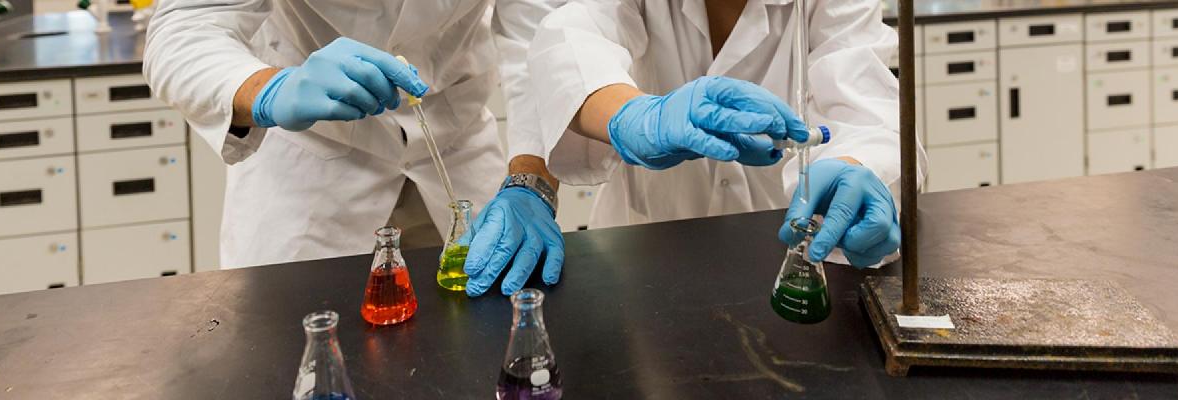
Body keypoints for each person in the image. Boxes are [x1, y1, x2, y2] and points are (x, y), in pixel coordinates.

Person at [462, 0, 925, 296]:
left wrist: (857, 168)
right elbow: (567, 38)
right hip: (643, 258)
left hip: (786, 248)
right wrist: (634, 117)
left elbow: (867, 105)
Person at [143, 0, 560, 268]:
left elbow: (539, 37)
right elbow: (186, 29)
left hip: (457, 141)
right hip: (313, 151)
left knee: (484, 341)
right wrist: (272, 88)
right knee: (293, 352)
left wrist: (531, 181)